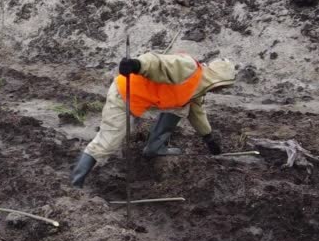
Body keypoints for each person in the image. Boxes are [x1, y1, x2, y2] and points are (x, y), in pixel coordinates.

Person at [71, 52, 236, 188]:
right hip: (124, 93)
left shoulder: (198, 89)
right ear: (218, 79)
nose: (222, 90)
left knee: (183, 107)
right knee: (108, 142)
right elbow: (158, 62)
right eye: (223, 86)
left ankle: (155, 148)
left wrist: (208, 137)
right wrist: (137, 64)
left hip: (145, 99)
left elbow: (197, 112)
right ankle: (76, 184)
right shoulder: (188, 67)